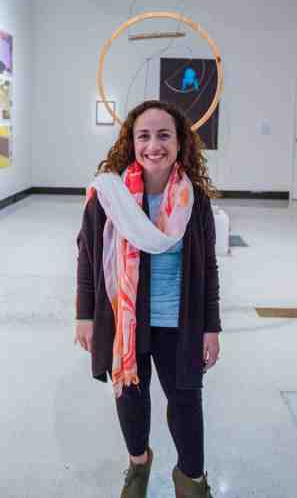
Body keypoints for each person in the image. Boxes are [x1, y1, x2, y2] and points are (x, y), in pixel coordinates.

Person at [75, 100, 222, 498]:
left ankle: (191, 481)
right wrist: (85, 316)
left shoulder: (194, 200)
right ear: (131, 142)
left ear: (179, 142)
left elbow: (208, 268)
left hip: (179, 322)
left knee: (186, 402)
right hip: (126, 323)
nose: (153, 145)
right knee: (131, 400)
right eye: (144, 136)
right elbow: (87, 257)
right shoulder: (109, 195)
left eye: (164, 135)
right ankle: (138, 466)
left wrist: (211, 327)